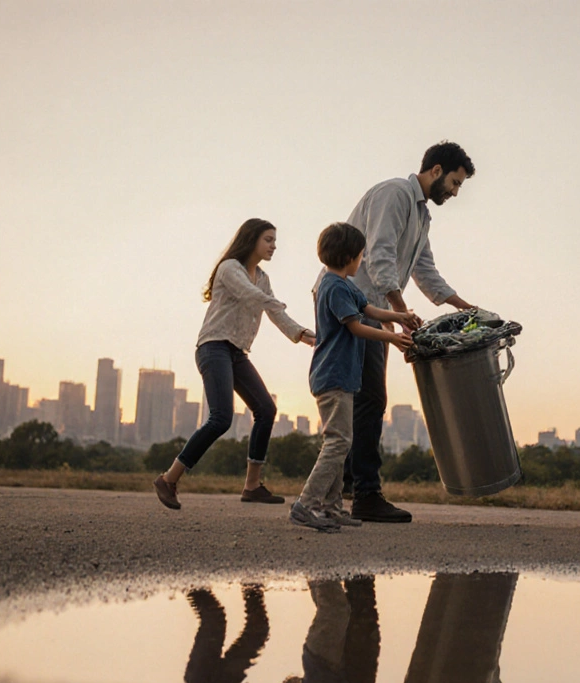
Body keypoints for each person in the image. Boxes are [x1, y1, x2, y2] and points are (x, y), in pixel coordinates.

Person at [316, 141, 477, 523]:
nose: (455, 193)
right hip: (350, 302)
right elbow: (379, 254)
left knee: (362, 401)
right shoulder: (394, 194)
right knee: (368, 399)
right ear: (436, 170)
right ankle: (365, 495)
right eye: (455, 183)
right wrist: (400, 311)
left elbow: (424, 269)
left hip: (374, 306)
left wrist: (462, 305)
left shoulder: (422, 218)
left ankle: (339, 490)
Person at [153, 218, 314, 510]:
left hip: (237, 353)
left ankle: (252, 486)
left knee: (266, 409)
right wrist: (276, 304)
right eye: (268, 240)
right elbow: (250, 295)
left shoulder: (263, 279)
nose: (274, 246)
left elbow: (273, 311)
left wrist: (303, 335)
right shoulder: (230, 269)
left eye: (275, 241)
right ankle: (168, 479)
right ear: (251, 239)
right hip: (213, 346)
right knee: (221, 418)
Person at [291, 222, 418, 532]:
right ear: (350, 257)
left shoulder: (346, 286)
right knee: (337, 442)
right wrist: (391, 339)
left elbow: (370, 311)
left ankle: (332, 509)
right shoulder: (333, 287)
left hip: (342, 377)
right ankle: (305, 504)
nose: (362, 261)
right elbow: (356, 326)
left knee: (341, 441)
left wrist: (399, 316)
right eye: (361, 255)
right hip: (332, 375)